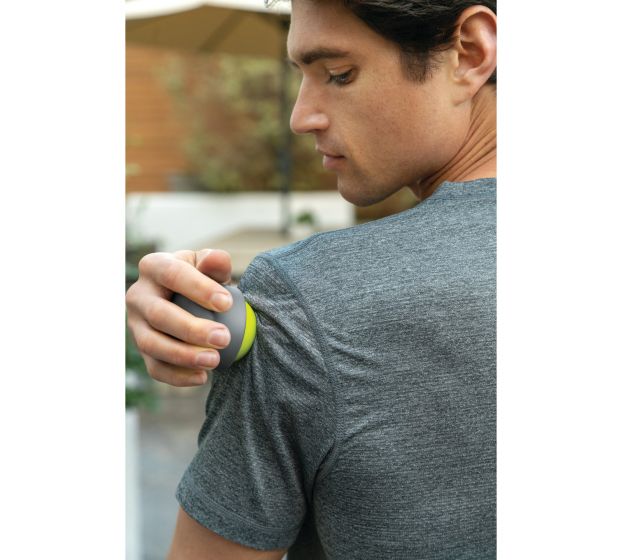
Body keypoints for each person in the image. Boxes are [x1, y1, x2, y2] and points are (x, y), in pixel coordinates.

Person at [126, 0, 497, 557]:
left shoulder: (306, 302)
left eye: (338, 74)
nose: (301, 117)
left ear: (468, 52)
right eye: (301, 76)